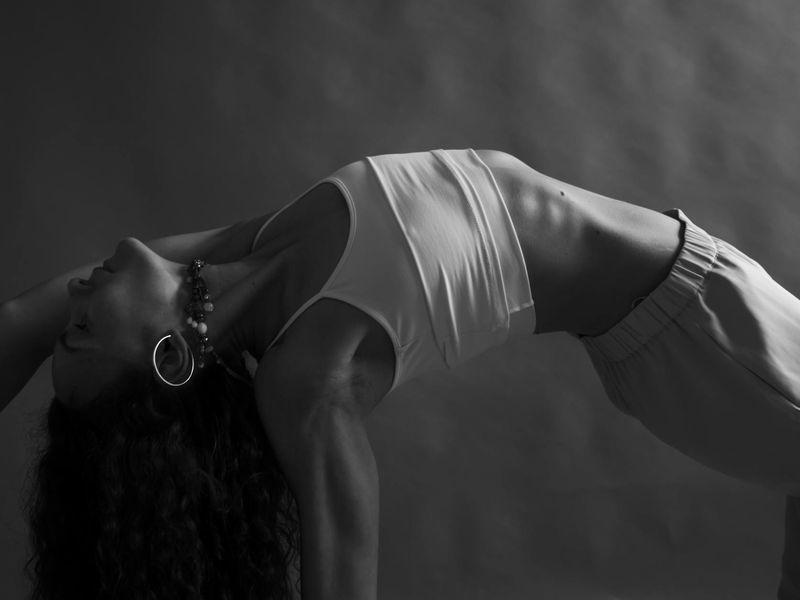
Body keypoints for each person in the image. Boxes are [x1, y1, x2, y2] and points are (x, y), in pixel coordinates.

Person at [1, 148, 798, 599]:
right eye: (82, 331)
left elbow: (19, 321)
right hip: (702, 346)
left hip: (702, 299)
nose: (73, 292)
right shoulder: (305, 379)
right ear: (168, 361)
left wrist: (57, 332)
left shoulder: (245, 247)